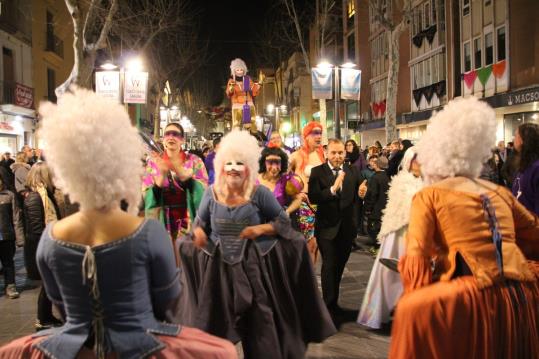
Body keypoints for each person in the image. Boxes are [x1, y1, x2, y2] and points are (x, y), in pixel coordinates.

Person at [0, 88, 236, 359]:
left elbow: (61, 306)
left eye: (175, 135)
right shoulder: (149, 233)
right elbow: (169, 303)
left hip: (73, 348)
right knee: (224, 352)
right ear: (124, 163)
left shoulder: (50, 239)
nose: (171, 138)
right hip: (140, 345)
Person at [388, 97, 539, 358]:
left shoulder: (429, 195)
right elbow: (534, 233)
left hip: (473, 297)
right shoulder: (499, 191)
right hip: (520, 296)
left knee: (410, 310)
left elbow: (417, 263)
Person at [176, 130, 336, 359]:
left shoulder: (259, 192)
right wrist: (199, 234)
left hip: (254, 270)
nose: (232, 168)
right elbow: (200, 224)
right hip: (218, 273)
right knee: (215, 332)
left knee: (260, 330)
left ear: (248, 167)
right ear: (221, 166)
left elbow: (281, 221)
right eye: (228, 163)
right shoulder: (211, 193)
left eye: (239, 163)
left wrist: (259, 229)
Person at [357, 147, 423, 329]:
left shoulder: (427, 181)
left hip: (418, 234)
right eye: (417, 160)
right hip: (400, 234)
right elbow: (401, 210)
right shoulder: (403, 182)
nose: (420, 163)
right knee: (392, 273)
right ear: (409, 162)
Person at [308, 139, 362, 316]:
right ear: (326, 153)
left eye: (340, 153)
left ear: (344, 154)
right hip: (326, 229)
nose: (337, 156)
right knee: (329, 265)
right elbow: (314, 197)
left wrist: (364, 190)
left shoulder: (353, 171)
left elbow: (360, 190)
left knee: (339, 266)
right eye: (334, 153)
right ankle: (328, 306)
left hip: (347, 228)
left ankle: (333, 301)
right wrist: (332, 189)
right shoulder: (317, 172)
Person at [143, 122, 208, 264]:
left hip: (188, 220)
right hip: (162, 221)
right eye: (167, 134)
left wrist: (182, 174)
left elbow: (203, 193)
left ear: (182, 140)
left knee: (187, 267)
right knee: (166, 264)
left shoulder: (195, 161)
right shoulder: (154, 163)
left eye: (175, 134)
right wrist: (160, 178)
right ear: (163, 139)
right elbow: (146, 196)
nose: (171, 137)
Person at [23, 162, 66, 330]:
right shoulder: (35, 197)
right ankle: (42, 319)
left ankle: (45, 317)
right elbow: (36, 229)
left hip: (45, 245)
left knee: (49, 284)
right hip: (40, 247)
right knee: (48, 284)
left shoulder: (46, 195)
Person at [289, 122, 326, 263]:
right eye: (315, 133)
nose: (318, 136)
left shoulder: (322, 155)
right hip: (304, 207)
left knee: (315, 246)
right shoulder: (295, 156)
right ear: (306, 136)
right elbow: (283, 179)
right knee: (307, 246)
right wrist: (296, 194)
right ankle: (305, 279)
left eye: (320, 133)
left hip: (320, 206)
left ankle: (311, 279)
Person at [257, 146, 302, 217]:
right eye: (270, 162)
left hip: (278, 224)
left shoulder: (286, 180)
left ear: (282, 163)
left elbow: (298, 199)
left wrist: (287, 212)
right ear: (264, 163)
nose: (274, 167)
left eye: (277, 162)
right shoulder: (254, 179)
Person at [0, 177, 24, 299]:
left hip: (6, 236)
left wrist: (20, 238)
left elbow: (16, 218)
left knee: (8, 262)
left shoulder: (8, 195)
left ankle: (10, 285)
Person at [512, 123, 539, 215]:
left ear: (524, 140)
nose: (513, 139)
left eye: (516, 135)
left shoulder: (536, 168)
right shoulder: (524, 165)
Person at [225, 58, 260, 130]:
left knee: (252, 123)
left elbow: (254, 90)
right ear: (234, 71)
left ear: (244, 70)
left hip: (248, 103)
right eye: (237, 70)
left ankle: (252, 138)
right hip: (237, 104)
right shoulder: (231, 81)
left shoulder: (247, 79)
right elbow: (229, 93)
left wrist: (259, 84)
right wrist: (231, 89)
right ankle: (236, 138)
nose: (239, 72)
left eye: (241, 70)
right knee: (236, 124)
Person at [363, 156, 390, 248]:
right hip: (384, 207)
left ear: (377, 164)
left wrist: (368, 208)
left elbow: (372, 194)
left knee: (372, 228)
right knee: (379, 227)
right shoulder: (386, 176)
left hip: (375, 208)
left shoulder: (375, 178)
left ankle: (377, 246)